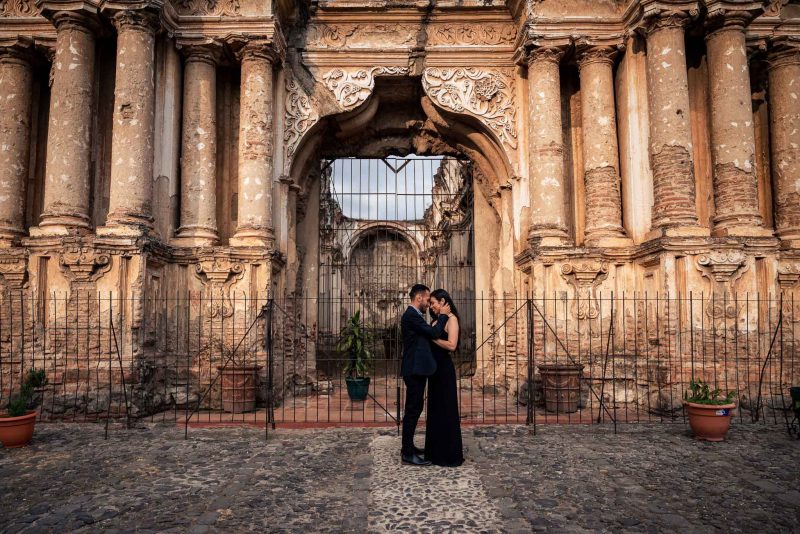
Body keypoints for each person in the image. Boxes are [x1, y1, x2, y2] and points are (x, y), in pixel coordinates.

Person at [400, 283, 451, 466]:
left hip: (417, 368)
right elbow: (434, 333)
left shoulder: (415, 316)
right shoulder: (412, 316)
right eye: (428, 300)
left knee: (415, 409)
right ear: (419, 297)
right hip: (414, 369)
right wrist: (444, 316)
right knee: (412, 410)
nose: (429, 304)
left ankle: (409, 447)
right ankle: (407, 453)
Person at [424, 289, 465, 467]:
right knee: (435, 409)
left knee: (446, 409)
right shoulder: (436, 320)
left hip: (444, 369)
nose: (431, 306)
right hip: (434, 370)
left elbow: (452, 345)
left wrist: (432, 339)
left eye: (433, 302)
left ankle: (448, 455)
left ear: (442, 301)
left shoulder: (452, 319)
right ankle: (435, 452)